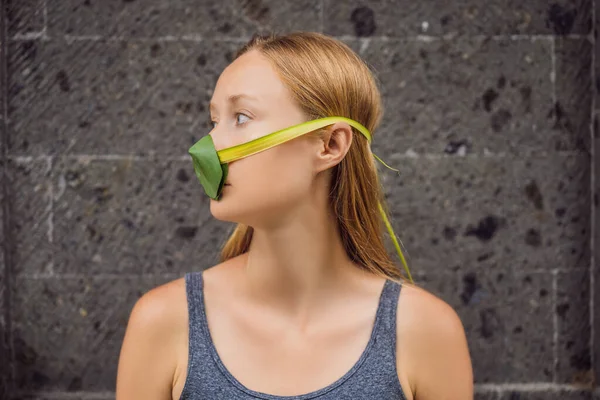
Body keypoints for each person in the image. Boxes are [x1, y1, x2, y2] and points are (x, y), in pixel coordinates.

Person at [116, 31, 473, 400]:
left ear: (330, 145)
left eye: (241, 117)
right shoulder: (164, 322)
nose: (208, 146)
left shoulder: (425, 332)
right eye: (214, 120)